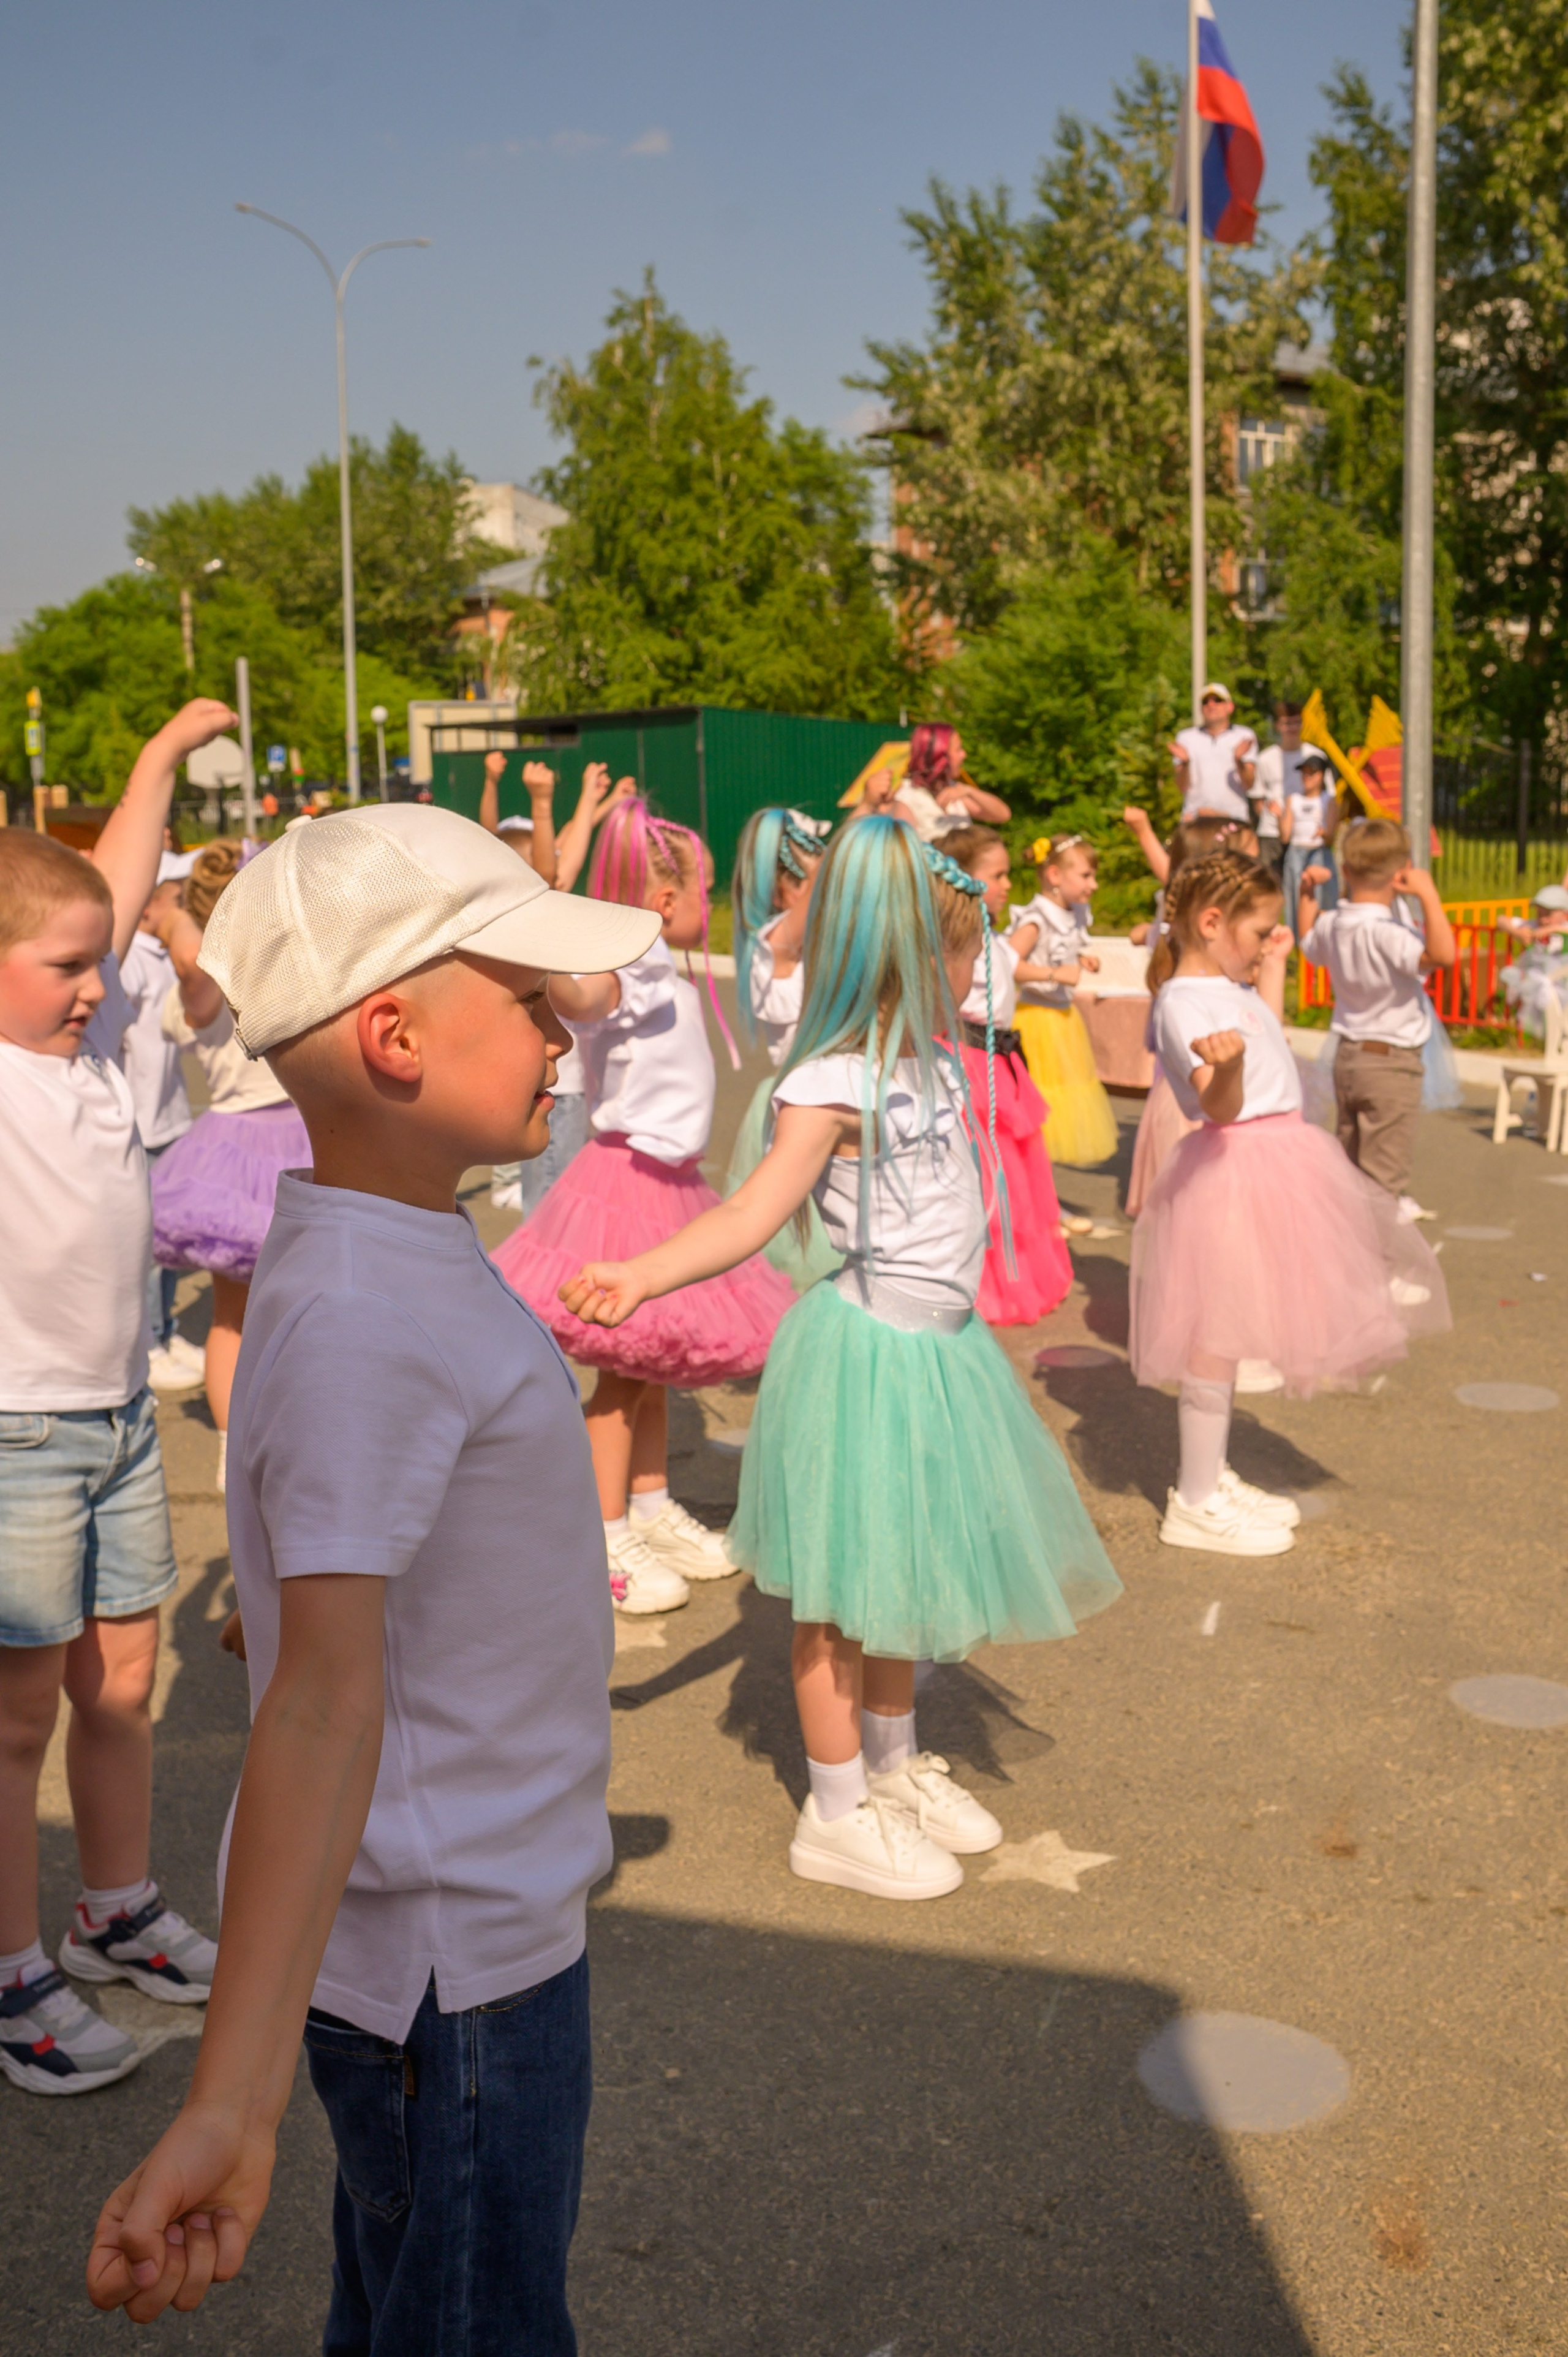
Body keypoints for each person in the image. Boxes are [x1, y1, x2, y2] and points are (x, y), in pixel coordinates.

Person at [85, 800, 657, 2342]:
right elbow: (322, 1715)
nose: (563, 1029)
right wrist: (235, 2102)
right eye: (528, 999)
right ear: (393, 1034)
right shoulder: (362, 1316)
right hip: (449, 1978)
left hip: (466, 1950)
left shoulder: (377, 1252)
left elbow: (348, 1598)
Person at [559, 815, 1121, 1899]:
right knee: (836, 1594)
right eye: (968, 953)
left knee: (903, 1570)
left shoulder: (940, 1064)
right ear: (909, 955)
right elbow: (756, 1211)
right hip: (866, 1360)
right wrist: (642, 1273)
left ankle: (897, 1761)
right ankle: (834, 1803)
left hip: (940, 1359)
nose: (983, 970)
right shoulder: (830, 1081)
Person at [0, 698, 235, 2098]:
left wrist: (155, 764)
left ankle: (117, 1909)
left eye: (104, 963)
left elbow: (122, 885)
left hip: (118, 1423)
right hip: (17, 1433)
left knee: (124, 1682)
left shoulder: (85, 1057)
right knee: (16, 1717)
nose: (96, 983)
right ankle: (12, 1969)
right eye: (65, 966)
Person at [494, 797, 794, 1616]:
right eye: (699, 890)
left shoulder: (656, 957)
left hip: (671, 1180)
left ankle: (652, 1506)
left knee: (653, 1367)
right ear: (664, 902)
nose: (709, 905)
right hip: (626, 1186)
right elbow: (585, 1000)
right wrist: (553, 932)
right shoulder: (634, 960)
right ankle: (604, 1531)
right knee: (623, 1378)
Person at [1130, 848, 1449, 1557]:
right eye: (1259, 932)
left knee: (1232, 1338)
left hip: (1273, 1160)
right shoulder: (1183, 1002)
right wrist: (1231, 1066)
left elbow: (1265, 1035)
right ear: (1212, 922)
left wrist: (1266, 969)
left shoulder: (1227, 982)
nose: (1270, 942)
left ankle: (1208, 1475)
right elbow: (1218, 1105)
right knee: (1212, 1342)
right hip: (1235, 1168)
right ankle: (1196, 1500)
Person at [148, 843, 312, 1494]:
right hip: (248, 1149)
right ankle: (229, 1446)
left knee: (274, 1309)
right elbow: (191, 956)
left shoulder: (257, 973)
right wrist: (182, 914)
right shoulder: (208, 984)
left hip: (290, 1138)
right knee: (235, 1312)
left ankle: (281, 1430)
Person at [486, 764, 635, 1216]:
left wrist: (593, 798)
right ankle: (543, 1275)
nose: (558, 864)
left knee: (549, 1191)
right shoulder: (529, 930)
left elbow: (565, 849)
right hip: (556, 1082)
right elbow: (555, 862)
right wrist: (543, 801)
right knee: (554, 1201)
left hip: (557, 1081)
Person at [942, 825, 1072, 1325]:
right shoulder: (958, 941)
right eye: (995, 876)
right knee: (985, 1177)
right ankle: (983, 1279)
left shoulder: (992, 937)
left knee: (1015, 1178)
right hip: (972, 1061)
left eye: (1006, 874)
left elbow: (1014, 962)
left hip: (1002, 1064)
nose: (1006, 885)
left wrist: (1060, 970)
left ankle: (1014, 1274)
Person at [1300, 820, 1457, 1217]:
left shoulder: (1335, 923)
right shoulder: (1388, 932)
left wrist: (1306, 893)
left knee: (1351, 1170)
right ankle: (1378, 1269)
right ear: (1402, 871)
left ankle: (1347, 1259)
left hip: (1348, 1054)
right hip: (1391, 1064)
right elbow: (1443, 955)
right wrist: (1429, 894)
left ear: (1347, 871)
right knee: (1383, 1183)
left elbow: (1306, 941)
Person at [725, 805, 842, 1290]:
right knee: (800, 1238)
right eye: (818, 883)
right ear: (783, 887)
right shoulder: (775, 939)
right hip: (795, 1097)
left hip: (825, 1091)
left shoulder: (810, 938)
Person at [1008, 835, 1120, 1167]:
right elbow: (1009, 965)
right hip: (1037, 1020)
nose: (1094, 885)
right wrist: (1055, 975)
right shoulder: (1037, 918)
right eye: (1086, 876)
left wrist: (1082, 959)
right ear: (1055, 876)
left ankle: (1047, 1189)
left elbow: (1065, 952)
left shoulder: (1073, 914)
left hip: (1063, 1019)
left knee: (1063, 1105)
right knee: (1042, 1103)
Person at [861, 724, 1010, 840]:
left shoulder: (954, 790)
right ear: (940, 756)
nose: (964, 755)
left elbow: (1003, 815)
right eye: (958, 750)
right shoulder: (907, 798)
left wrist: (970, 791)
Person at [1250, 701, 1325, 879]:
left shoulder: (1316, 756)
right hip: (1272, 834)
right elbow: (1257, 800)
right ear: (1278, 726)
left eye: (1296, 722)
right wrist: (1273, 816)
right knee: (1271, 887)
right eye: (1286, 723)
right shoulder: (1265, 758)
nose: (1291, 728)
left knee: (1305, 888)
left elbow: (1327, 796)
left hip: (1305, 835)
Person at [1171, 684, 1257, 823]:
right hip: (1196, 819)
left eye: (1217, 700)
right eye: (1205, 702)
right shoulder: (1185, 738)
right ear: (1201, 709)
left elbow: (1249, 785)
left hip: (1235, 818)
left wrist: (1238, 761)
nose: (1211, 705)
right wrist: (1186, 763)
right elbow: (1182, 787)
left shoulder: (1244, 736)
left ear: (1230, 706)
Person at [1281, 751, 1341, 940]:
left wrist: (1325, 833)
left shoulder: (1329, 801)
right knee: (1296, 900)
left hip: (1319, 853)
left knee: (1324, 899)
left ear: (1322, 775)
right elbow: (1285, 836)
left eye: (1312, 773)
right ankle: (1301, 951)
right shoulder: (1293, 799)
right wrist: (1278, 816)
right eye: (1304, 773)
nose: (1306, 777)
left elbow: (1331, 838)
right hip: (1297, 852)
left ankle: (1323, 945)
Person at [477, 747, 558, 882]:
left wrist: (491, 781)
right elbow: (545, 875)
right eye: (539, 854)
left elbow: (490, 838)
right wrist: (541, 802)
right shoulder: (536, 892)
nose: (550, 857)